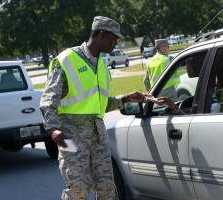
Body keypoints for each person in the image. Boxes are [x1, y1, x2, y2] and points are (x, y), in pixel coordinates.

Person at [40, 16, 157, 200]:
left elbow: (99, 103)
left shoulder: (102, 63)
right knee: (79, 189)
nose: (116, 43)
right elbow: (49, 100)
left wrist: (125, 98)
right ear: (102, 35)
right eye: (114, 38)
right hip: (72, 134)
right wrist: (53, 128)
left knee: (107, 189)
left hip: (98, 132)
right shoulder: (67, 60)